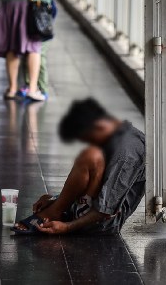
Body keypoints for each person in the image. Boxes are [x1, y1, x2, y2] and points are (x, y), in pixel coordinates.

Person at [11, 98, 145, 235]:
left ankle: (55, 212)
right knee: (91, 157)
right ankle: (59, 208)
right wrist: (56, 199)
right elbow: (97, 181)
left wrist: (67, 227)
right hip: (92, 204)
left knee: (90, 156)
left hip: (102, 222)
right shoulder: (117, 131)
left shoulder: (125, 154)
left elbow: (105, 211)